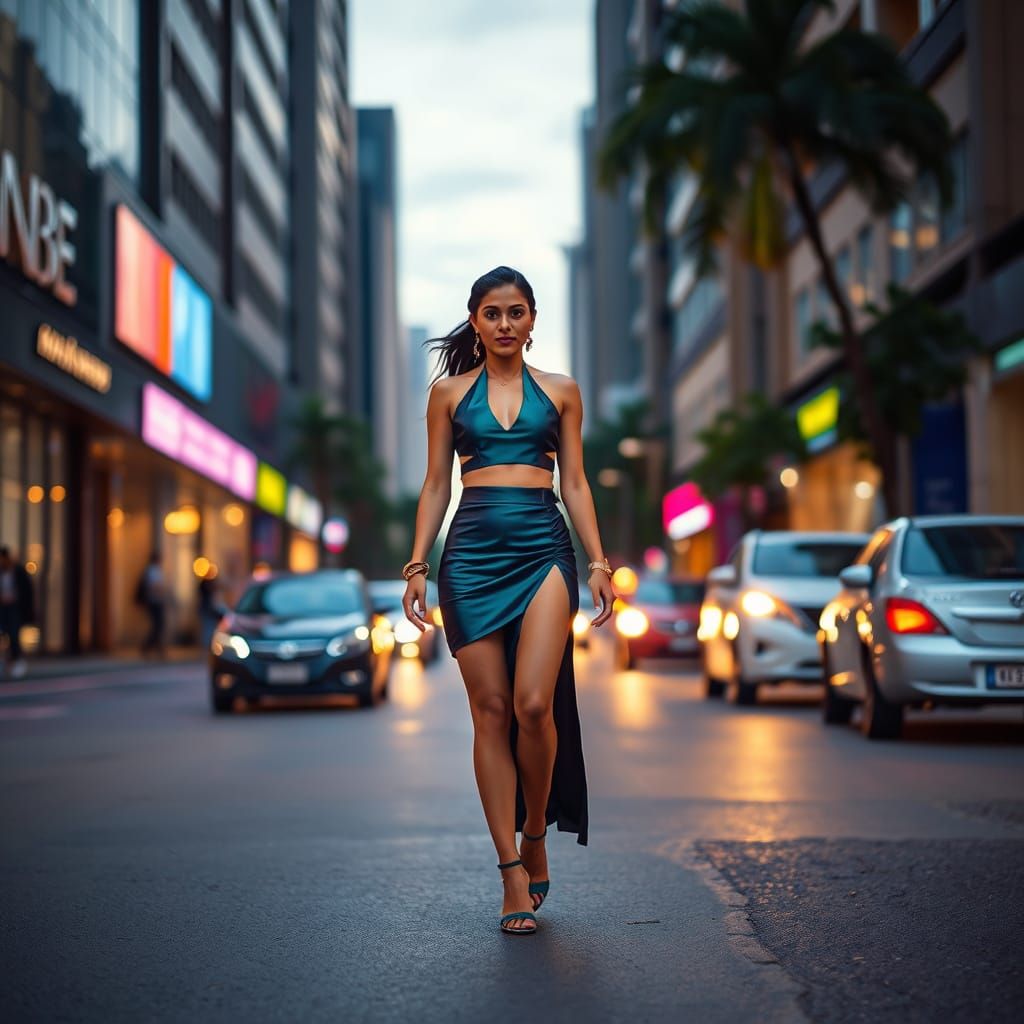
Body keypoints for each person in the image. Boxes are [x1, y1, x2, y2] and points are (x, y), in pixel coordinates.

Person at [401, 267, 614, 935]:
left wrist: (600, 559)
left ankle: (536, 831)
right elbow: (437, 484)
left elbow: (574, 482)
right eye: (491, 313)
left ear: (532, 319)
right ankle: (509, 872)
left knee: (532, 703)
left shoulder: (562, 391)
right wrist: (417, 565)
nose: (503, 324)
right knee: (491, 711)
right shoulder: (445, 394)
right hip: (468, 557)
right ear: (474, 321)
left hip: (543, 547)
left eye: (515, 312)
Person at [0, 546, 34, 679]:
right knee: (4, 634)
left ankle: (17, 661)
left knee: (14, 634)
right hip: (2, 608)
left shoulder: (18, 571)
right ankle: (7, 661)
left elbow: (26, 592)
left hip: (14, 608)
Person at [138, 552, 166, 657]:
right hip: (154, 601)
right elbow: (153, 586)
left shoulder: (155, 570)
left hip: (157, 601)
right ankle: (148, 647)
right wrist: (160, 591)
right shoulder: (152, 570)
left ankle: (157, 648)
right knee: (158, 625)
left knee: (158, 625)